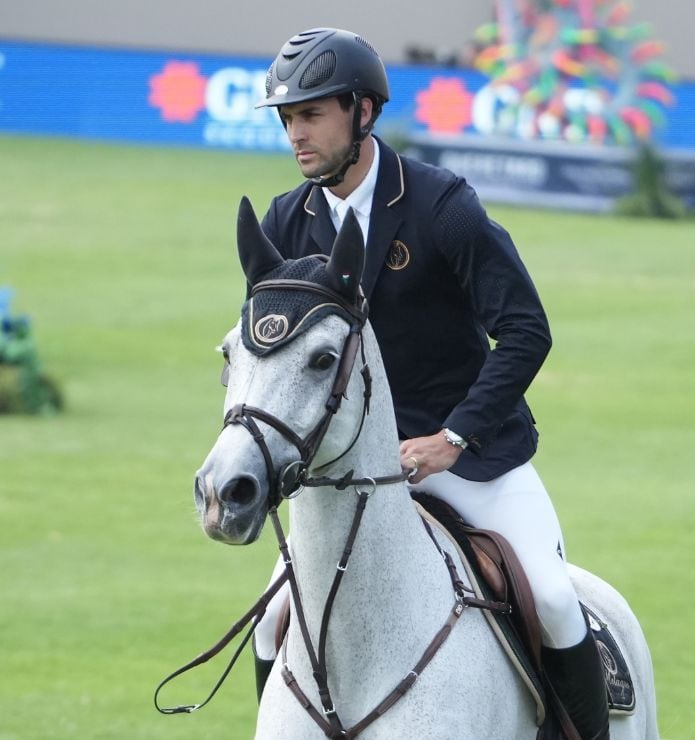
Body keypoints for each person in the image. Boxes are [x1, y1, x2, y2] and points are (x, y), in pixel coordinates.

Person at [249, 27, 609, 739]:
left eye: (312, 114)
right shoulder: (287, 223)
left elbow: (527, 332)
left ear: (363, 113)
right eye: (288, 118)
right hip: (349, 476)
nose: (297, 134)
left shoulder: (442, 206)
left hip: (469, 460)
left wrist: (452, 437)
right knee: (270, 621)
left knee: (556, 601)